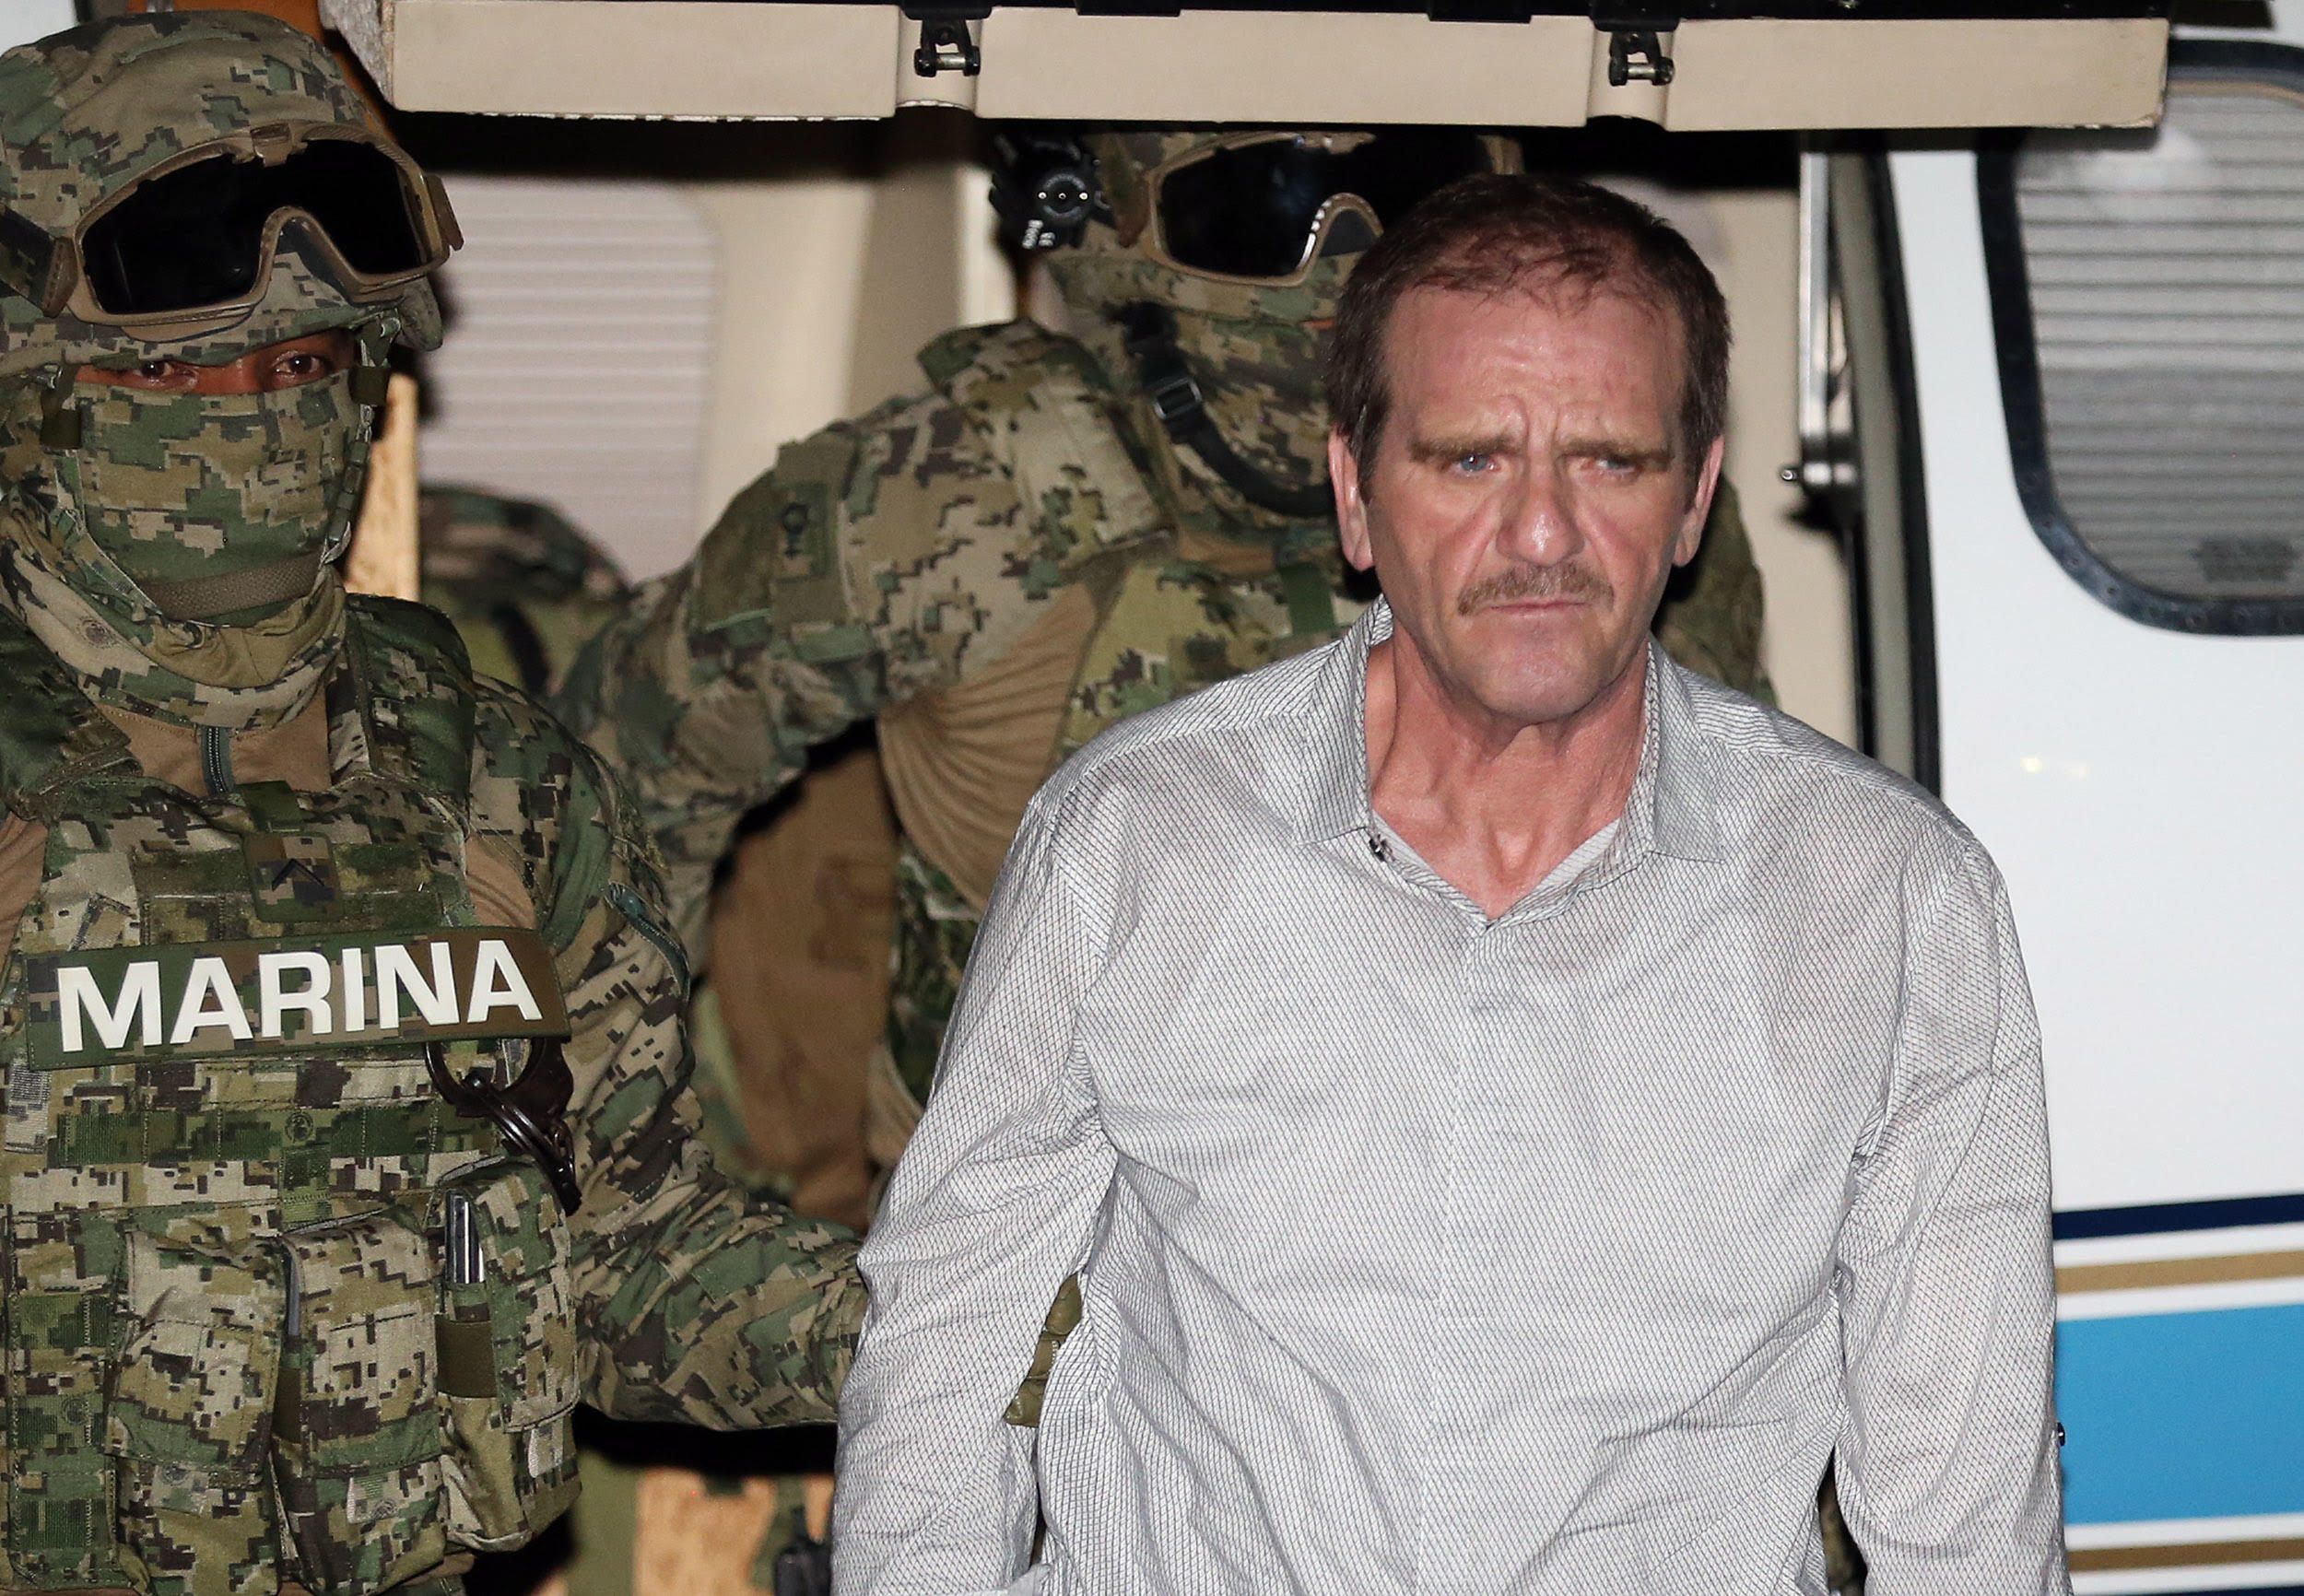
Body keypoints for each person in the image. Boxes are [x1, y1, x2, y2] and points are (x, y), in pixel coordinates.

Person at [833, 174, 2065, 1595]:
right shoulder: (1137, 843)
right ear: (1357, 495)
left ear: (1692, 501)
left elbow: (1963, 1510)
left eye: (1608, 461)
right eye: (1471, 460)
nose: (1540, 534)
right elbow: (943, 1352)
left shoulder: (1888, 905)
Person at [0, 17, 864, 1596]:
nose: (261, 418)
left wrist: (999, 1332)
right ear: (33, 395)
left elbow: (627, 1262)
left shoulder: (498, 787)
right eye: (173, 372)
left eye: (306, 366)